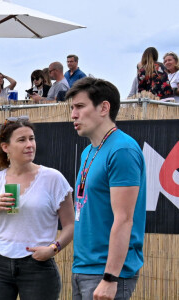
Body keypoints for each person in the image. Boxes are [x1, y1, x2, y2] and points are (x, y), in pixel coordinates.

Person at [0, 116, 74, 300]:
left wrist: (54, 248)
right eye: (22, 140)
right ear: (6, 147)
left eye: (32, 138)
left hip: (38, 265)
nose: (30, 144)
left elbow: (70, 225)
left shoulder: (53, 178)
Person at [66, 77, 146, 300]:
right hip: (83, 268)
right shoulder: (88, 151)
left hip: (106, 274)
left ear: (104, 108)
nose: (73, 114)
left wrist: (110, 278)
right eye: (72, 108)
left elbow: (124, 219)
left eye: (80, 106)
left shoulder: (122, 150)